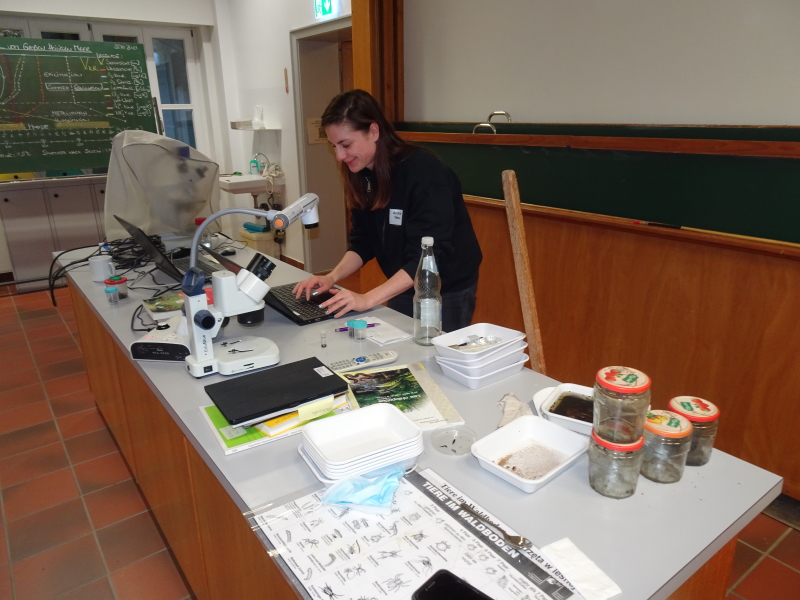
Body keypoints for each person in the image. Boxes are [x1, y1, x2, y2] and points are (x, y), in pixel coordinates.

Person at [293, 89, 482, 332]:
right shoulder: (362, 175)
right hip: (404, 283)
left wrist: (368, 298)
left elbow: (426, 256)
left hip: (445, 290)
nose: (339, 156)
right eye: (334, 146)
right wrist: (331, 277)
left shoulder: (424, 171)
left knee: (434, 353)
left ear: (374, 131)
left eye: (345, 144)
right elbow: (363, 242)